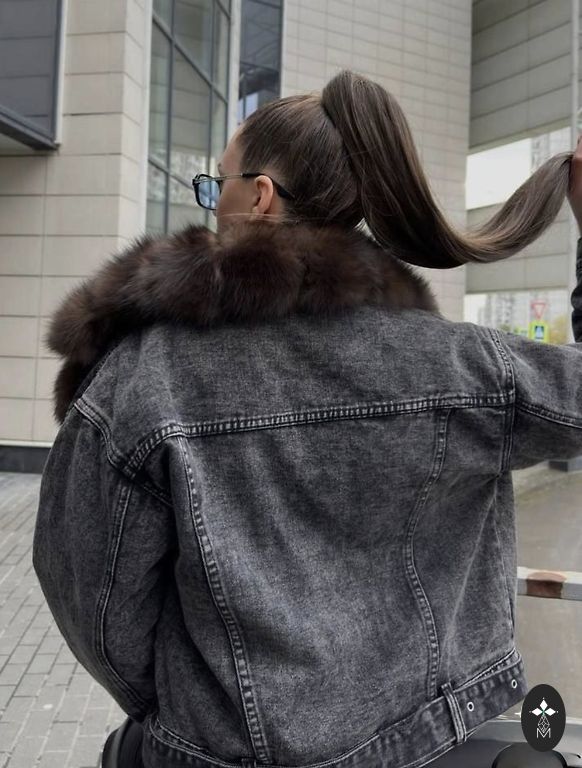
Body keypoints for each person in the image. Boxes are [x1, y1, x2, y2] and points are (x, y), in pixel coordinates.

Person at [32, 69, 582, 768]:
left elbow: (90, 597)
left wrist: (194, 709)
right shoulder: (458, 364)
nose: (211, 204)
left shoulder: (145, 373)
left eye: (217, 184)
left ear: (259, 196)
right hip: (429, 743)